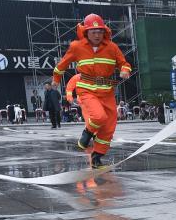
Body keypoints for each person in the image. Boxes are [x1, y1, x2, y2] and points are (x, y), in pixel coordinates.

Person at [52, 13, 132, 169]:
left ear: (104, 32)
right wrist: (55, 79)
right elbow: (61, 65)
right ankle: (87, 134)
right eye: (93, 32)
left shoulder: (112, 47)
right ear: (86, 32)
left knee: (109, 126)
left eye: (100, 31)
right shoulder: (77, 47)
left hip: (107, 91)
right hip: (87, 89)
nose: (97, 35)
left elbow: (124, 63)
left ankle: (97, 157)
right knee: (98, 116)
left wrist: (125, 70)